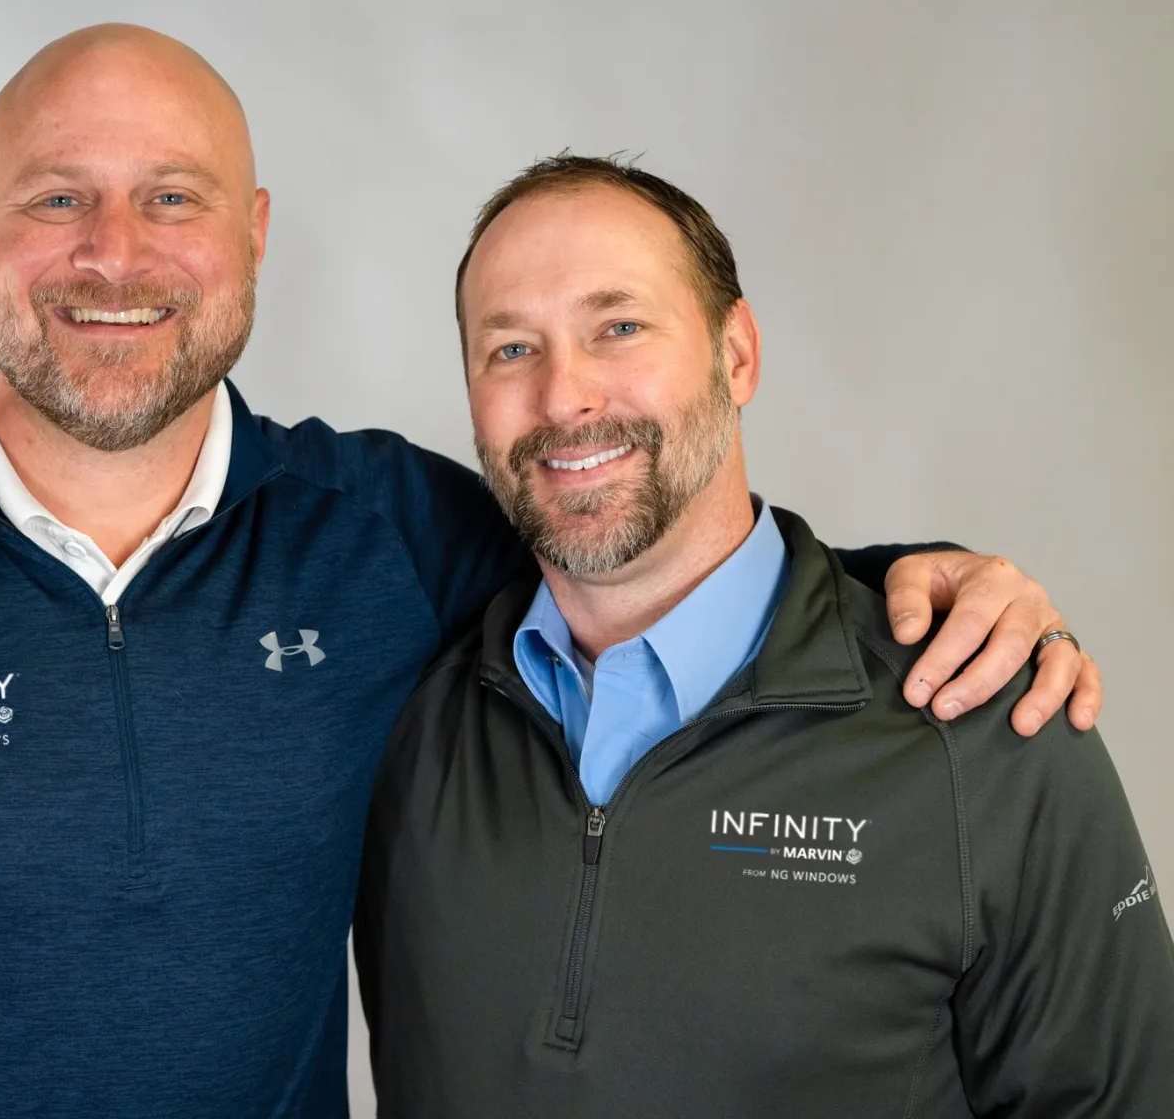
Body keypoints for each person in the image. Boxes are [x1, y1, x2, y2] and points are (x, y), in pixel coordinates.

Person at [0, 25, 1095, 1119]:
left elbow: (642, 532)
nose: (115, 252)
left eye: (173, 198)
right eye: (57, 199)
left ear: (250, 236)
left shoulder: (388, 536)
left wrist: (920, 582)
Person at [353, 154, 1174, 1116]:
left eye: (618, 327)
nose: (565, 397)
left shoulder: (981, 719)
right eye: (510, 349)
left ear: (735, 354)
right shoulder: (402, 702)